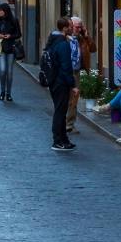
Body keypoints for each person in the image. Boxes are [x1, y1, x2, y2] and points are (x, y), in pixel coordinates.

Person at [42, 18, 77, 151]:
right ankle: (57, 140)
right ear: (64, 28)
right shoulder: (63, 44)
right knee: (60, 111)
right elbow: (66, 66)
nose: (72, 28)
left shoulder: (53, 41)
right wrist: (72, 84)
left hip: (53, 81)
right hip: (60, 82)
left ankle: (64, 140)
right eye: (70, 26)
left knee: (60, 110)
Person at [0, 3, 23, 101]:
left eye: (1, 10)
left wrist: (10, 36)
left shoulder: (14, 20)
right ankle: (2, 91)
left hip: (11, 48)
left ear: (5, 11)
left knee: (9, 72)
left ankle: (8, 93)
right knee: (3, 70)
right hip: (0, 48)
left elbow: (18, 34)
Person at [63, 16, 88, 134]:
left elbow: (93, 48)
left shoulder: (82, 39)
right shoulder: (65, 38)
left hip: (76, 71)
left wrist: (86, 35)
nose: (78, 29)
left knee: (74, 99)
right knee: (65, 97)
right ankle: (63, 122)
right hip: (66, 71)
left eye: (80, 27)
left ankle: (70, 124)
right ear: (71, 27)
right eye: (76, 27)